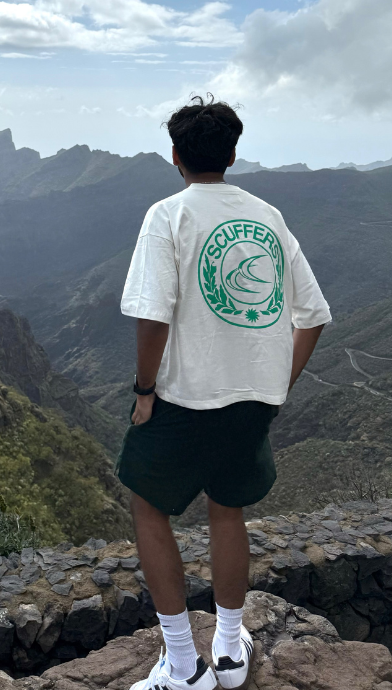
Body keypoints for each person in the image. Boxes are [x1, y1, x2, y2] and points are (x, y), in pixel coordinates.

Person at [118, 96, 331, 690]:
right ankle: (232, 649)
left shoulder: (168, 215)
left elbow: (152, 316)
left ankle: (184, 664)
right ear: (233, 154)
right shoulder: (268, 216)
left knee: (147, 503)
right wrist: (277, 381)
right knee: (227, 507)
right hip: (253, 401)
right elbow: (313, 314)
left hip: (186, 399)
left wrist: (143, 389)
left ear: (176, 157)